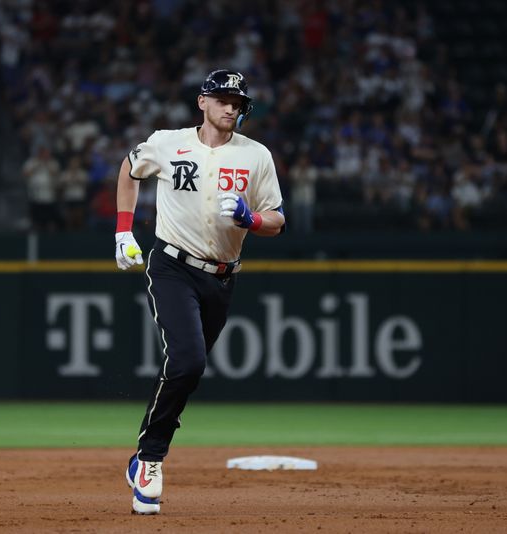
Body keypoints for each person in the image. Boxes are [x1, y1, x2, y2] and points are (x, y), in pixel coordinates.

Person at [114, 69, 285, 515]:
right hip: (172, 265)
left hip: (222, 276)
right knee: (189, 360)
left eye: (239, 101)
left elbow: (278, 219)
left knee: (185, 369)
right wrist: (122, 232)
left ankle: (141, 457)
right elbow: (130, 169)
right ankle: (150, 460)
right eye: (224, 97)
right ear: (202, 101)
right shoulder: (168, 143)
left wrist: (252, 220)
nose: (232, 106)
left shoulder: (255, 156)